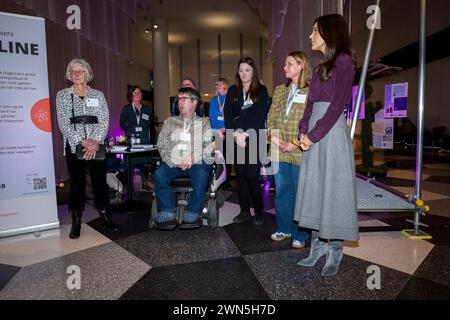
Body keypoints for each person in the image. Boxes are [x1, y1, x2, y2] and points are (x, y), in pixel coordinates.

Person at [294, 14, 359, 276]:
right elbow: (310, 103)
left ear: (329, 33)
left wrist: (313, 134)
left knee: (334, 188)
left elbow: (337, 105)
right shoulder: (321, 66)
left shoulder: (344, 62)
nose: (310, 36)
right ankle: (317, 246)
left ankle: (336, 250)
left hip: (331, 134)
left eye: (315, 31)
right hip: (314, 133)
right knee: (315, 188)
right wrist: (302, 130)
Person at [56, 58, 118, 239]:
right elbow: (63, 124)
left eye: (80, 71)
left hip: (96, 145)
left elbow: (104, 120)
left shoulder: (98, 95)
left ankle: (105, 216)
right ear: (69, 75)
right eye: (73, 71)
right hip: (74, 144)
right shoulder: (62, 95)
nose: (76, 74)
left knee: (100, 181)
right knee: (76, 183)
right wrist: (82, 141)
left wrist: (95, 141)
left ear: (88, 74)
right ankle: (76, 220)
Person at [267, 51, 312, 249]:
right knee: (281, 192)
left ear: (301, 65)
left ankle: (300, 233)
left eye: (289, 64)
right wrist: (273, 137)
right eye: (285, 64)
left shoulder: (311, 91)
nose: (285, 68)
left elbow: (311, 121)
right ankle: (284, 228)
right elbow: (271, 117)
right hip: (278, 148)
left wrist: (295, 142)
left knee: (299, 192)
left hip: (299, 148)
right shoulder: (279, 90)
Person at [154, 87, 214, 230]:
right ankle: (167, 210)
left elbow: (209, 145)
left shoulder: (204, 122)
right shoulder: (170, 122)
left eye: (184, 98)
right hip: (174, 162)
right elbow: (162, 144)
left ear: (194, 102)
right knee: (159, 174)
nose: (179, 102)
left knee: (202, 174)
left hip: (196, 162)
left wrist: (193, 158)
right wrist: (174, 160)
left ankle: (193, 211)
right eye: (179, 99)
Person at [224, 57, 269, 226]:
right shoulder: (232, 91)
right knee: (240, 176)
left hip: (254, 138)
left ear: (253, 72)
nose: (244, 73)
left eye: (247, 70)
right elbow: (228, 115)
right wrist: (236, 135)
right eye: (241, 70)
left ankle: (258, 211)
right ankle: (244, 210)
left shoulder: (261, 91)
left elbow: (258, 116)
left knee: (252, 176)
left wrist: (245, 134)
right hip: (236, 138)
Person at [120, 85, 154, 190]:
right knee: (130, 163)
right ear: (131, 95)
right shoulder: (127, 109)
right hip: (132, 139)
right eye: (135, 93)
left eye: (139, 92)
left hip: (144, 139)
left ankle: (146, 183)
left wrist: (143, 129)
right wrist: (129, 131)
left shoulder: (147, 109)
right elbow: (121, 123)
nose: (138, 94)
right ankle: (129, 187)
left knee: (146, 162)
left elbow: (150, 123)